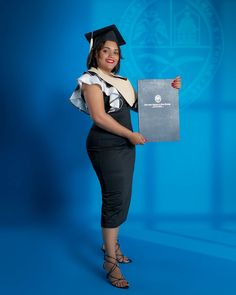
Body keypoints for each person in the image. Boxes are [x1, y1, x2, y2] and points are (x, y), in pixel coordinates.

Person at [70, 24, 181, 289]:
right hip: (106, 145)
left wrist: (170, 90)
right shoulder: (91, 79)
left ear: (119, 58)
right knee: (114, 199)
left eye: (115, 52)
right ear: (95, 55)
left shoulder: (122, 82)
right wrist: (130, 135)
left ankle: (113, 244)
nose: (111, 55)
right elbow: (99, 117)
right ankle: (110, 260)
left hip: (124, 146)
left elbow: (143, 106)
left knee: (122, 197)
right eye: (105, 50)